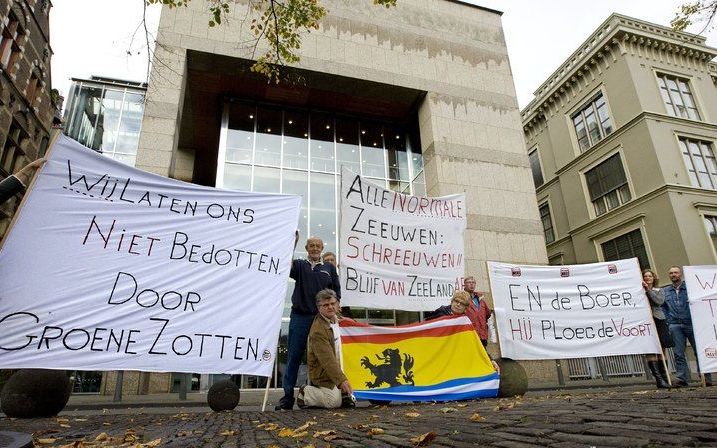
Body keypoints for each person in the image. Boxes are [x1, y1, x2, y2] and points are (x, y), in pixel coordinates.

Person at [276, 235, 341, 410]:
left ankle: (319, 392)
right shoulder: (299, 265)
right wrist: (292, 242)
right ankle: (287, 397)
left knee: (325, 356)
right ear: (306, 248)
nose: (314, 248)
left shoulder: (328, 268)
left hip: (320, 318)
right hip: (300, 316)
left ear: (321, 248)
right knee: (294, 357)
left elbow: (336, 291)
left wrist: (335, 308)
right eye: (311, 245)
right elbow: (285, 263)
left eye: (317, 246)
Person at [296, 289, 354, 409]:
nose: (330, 307)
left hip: (342, 368)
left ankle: (343, 393)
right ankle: (306, 393)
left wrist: (352, 323)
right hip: (324, 373)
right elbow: (327, 360)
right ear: (319, 308)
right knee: (332, 402)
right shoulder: (318, 331)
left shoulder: (338, 320)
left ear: (338, 305)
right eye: (326, 305)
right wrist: (341, 380)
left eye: (333, 304)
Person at [662, 265, 712, 387]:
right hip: (675, 325)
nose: (673, 275)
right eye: (671, 273)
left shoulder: (690, 288)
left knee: (698, 350)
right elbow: (663, 306)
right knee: (678, 353)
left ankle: (705, 376)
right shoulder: (666, 291)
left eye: (676, 272)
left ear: (681, 274)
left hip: (692, 323)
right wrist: (669, 319)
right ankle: (681, 378)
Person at [427, 290, 500, 373]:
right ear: (452, 301)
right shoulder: (440, 314)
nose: (458, 304)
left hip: (456, 360)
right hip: (439, 358)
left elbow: (475, 343)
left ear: (466, 308)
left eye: (462, 303)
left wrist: (489, 360)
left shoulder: (466, 322)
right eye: (456, 301)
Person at [642, 269, 672, 389]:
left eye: (650, 276)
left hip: (659, 319)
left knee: (661, 348)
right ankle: (658, 379)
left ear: (654, 278)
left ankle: (665, 378)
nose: (648, 278)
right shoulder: (638, 291)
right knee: (650, 348)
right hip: (645, 320)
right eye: (645, 276)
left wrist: (648, 290)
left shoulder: (659, 290)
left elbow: (659, 301)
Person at [463, 276, 493, 347]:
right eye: (469, 282)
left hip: (482, 334)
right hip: (469, 333)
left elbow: (488, 314)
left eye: (473, 283)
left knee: (483, 355)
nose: (471, 284)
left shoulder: (481, 300)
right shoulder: (461, 298)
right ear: (464, 284)